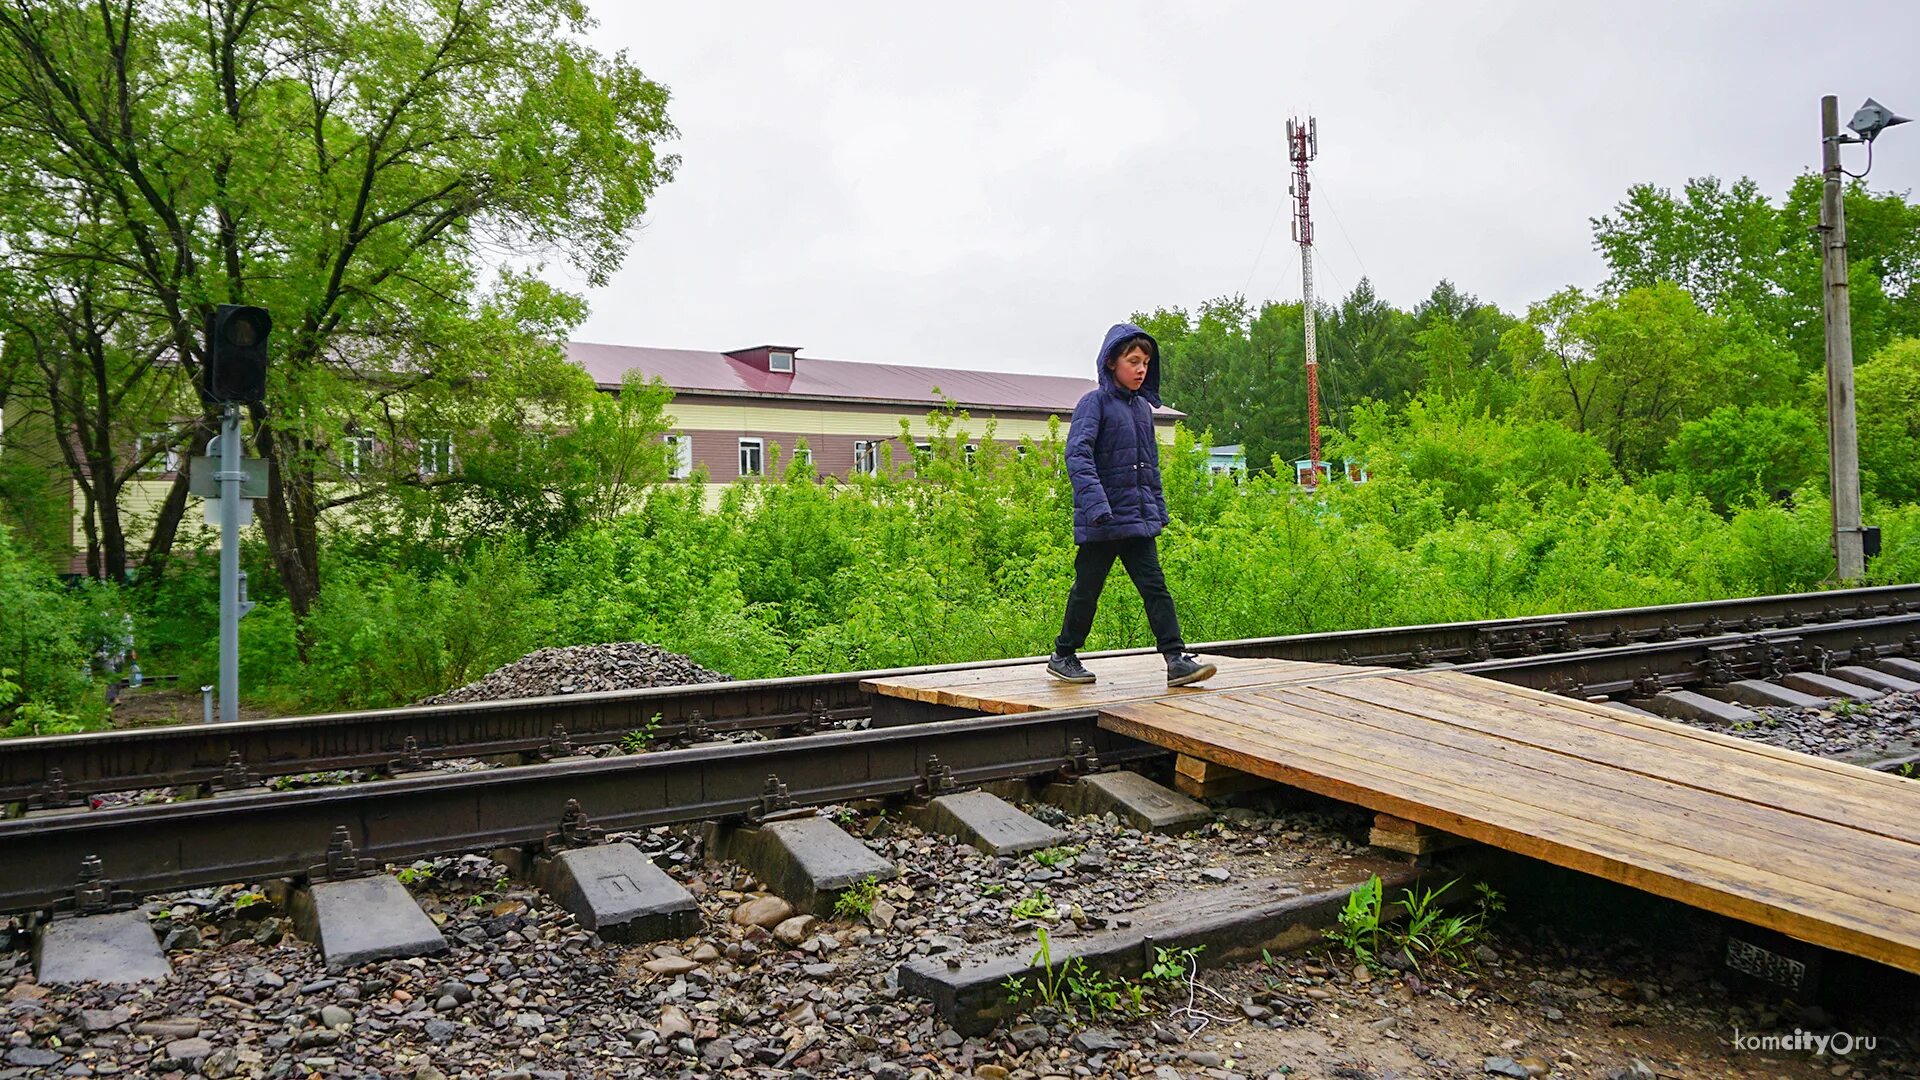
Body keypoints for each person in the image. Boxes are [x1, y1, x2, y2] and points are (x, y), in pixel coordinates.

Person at [1048, 323, 1217, 687]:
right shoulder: (1094, 403)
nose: (1141, 369)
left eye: (1146, 362)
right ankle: (1063, 655)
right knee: (1087, 590)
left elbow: (1148, 466)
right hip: (1104, 520)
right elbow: (1077, 456)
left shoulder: (1142, 408)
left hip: (1138, 520)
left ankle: (1176, 659)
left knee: (1155, 587)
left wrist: (1158, 510)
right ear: (1112, 362)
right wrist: (1097, 507)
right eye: (1133, 361)